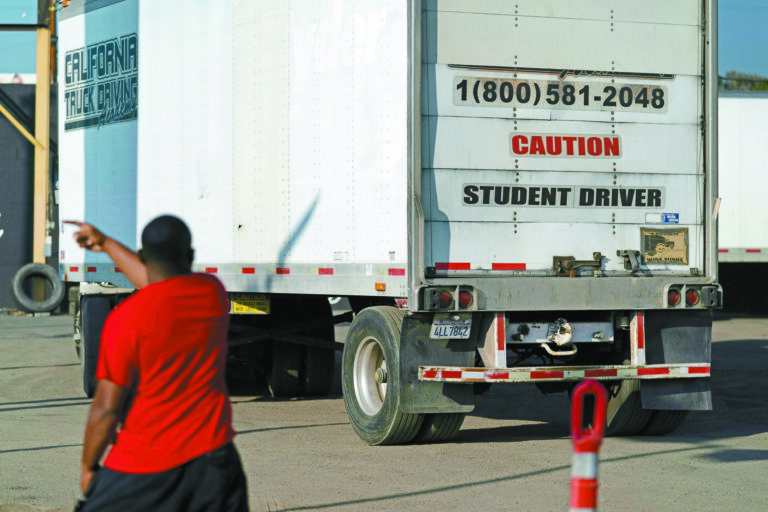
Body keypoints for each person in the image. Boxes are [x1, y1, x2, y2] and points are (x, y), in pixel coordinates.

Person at [65, 216, 249, 512]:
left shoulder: (125, 320)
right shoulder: (212, 292)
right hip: (214, 461)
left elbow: (106, 409)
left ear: (143, 257)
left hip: (142, 466)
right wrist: (107, 243)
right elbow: (160, 282)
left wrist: (89, 467)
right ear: (190, 256)